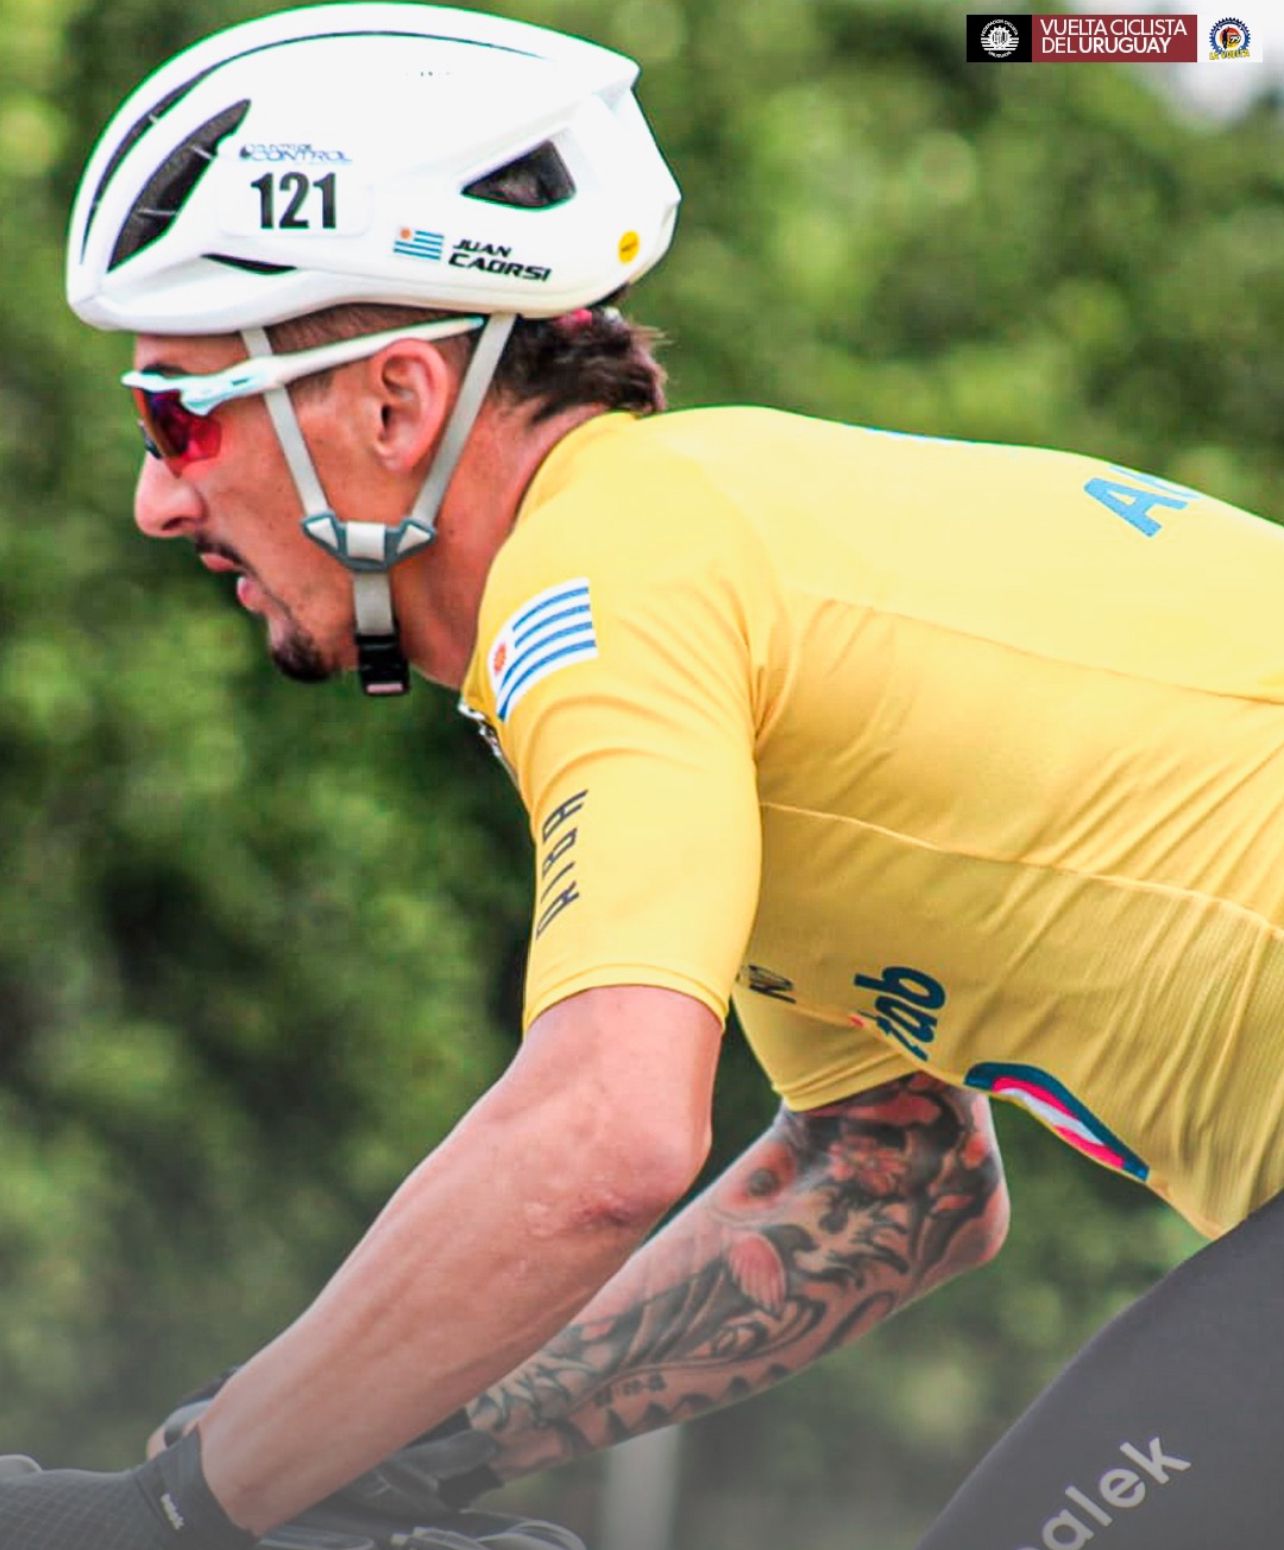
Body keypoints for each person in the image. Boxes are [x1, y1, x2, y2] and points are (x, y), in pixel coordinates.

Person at [14, 3, 1284, 1547]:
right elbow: (892, 1180)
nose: (154, 500)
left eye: (177, 414)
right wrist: (406, 1441)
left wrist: (176, 1507)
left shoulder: (606, 579)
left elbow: (600, 1139)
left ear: (396, 401)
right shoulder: (703, 540)